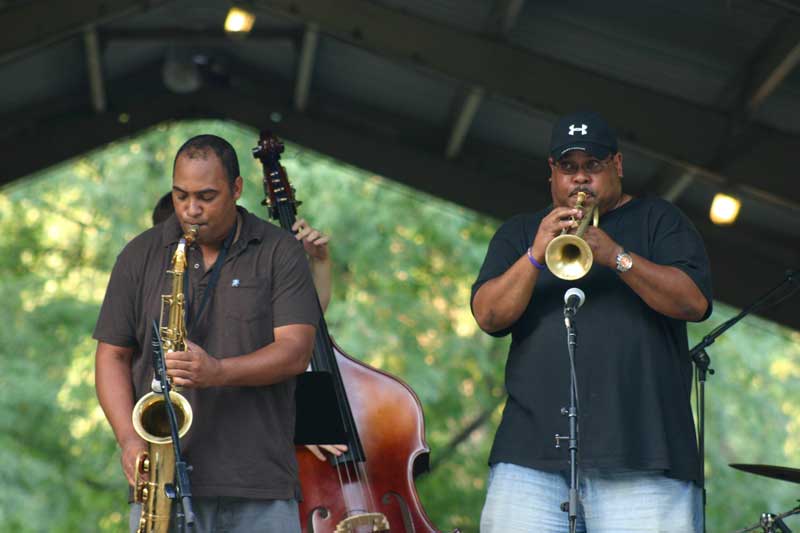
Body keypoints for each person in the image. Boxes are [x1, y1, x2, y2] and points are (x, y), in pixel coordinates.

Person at [471, 111, 712, 532]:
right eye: (569, 168)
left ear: (616, 166)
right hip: (530, 459)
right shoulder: (521, 232)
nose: (580, 179)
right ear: (552, 172)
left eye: (593, 166)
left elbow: (693, 302)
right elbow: (488, 316)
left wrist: (617, 256)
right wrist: (533, 255)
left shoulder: (660, 220)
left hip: (643, 457)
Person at [94, 134, 319, 533]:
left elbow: (296, 352)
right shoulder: (139, 254)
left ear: (236, 189)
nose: (191, 210)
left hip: (258, 486)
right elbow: (112, 354)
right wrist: (129, 439)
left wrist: (217, 371)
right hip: (162, 487)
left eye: (206, 196)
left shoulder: (280, 251)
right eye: (181, 196)